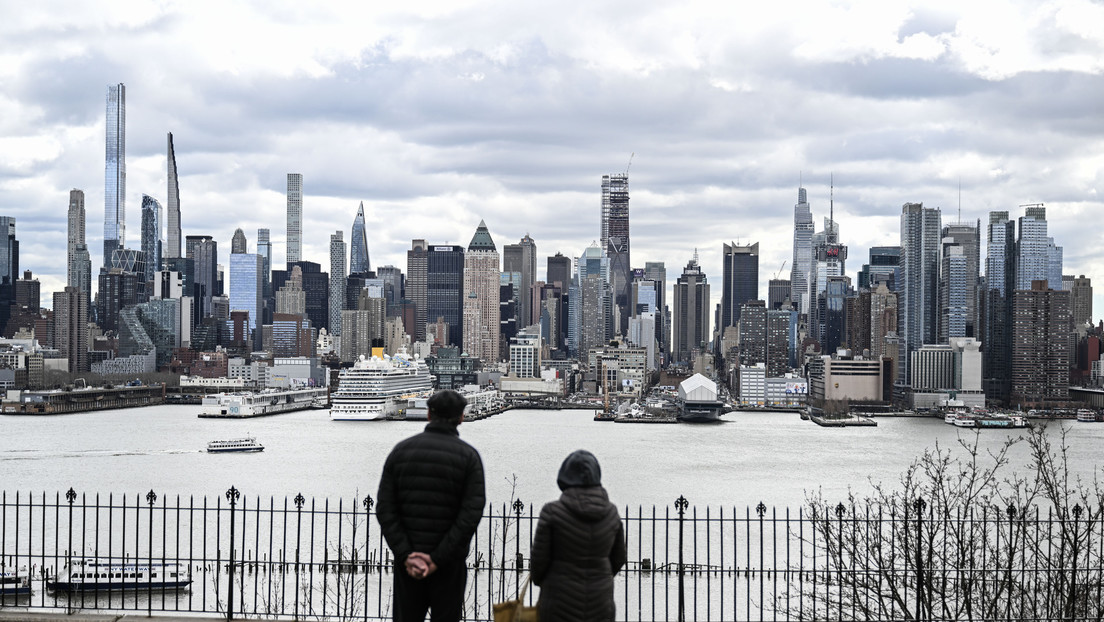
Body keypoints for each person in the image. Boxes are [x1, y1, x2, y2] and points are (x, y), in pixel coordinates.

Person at [376, 389, 486, 622]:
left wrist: (406, 555)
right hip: (448, 565)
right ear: (461, 418)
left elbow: (385, 509)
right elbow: (470, 516)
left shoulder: (401, 451)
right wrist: (437, 558)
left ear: (428, 414)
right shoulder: (469, 457)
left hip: (408, 565)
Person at [530, 449, 627, 622]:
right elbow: (619, 558)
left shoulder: (552, 512)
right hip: (601, 602)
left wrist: (548, 581)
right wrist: (600, 575)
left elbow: (538, 564)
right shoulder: (612, 513)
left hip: (558, 602)